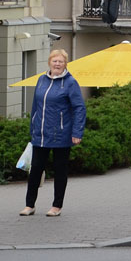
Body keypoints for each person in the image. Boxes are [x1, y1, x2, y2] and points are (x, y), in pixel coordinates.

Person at [22, 49, 86, 218]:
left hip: (61, 135)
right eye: (54, 61)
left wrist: (77, 132)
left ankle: (56, 206)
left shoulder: (70, 83)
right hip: (41, 134)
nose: (57, 64)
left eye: (61, 62)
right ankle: (30, 205)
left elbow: (79, 108)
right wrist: (33, 128)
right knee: (35, 169)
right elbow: (35, 106)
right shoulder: (41, 80)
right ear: (49, 62)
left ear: (65, 64)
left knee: (60, 171)